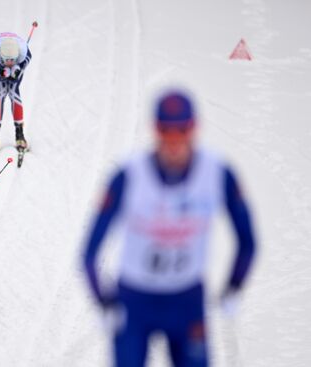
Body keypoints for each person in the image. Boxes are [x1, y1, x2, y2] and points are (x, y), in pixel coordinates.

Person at [83, 90, 257, 367]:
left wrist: (234, 286)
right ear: (156, 130)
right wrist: (104, 302)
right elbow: (88, 252)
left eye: (182, 132)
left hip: (186, 301)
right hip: (135, 301)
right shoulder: (129, 176)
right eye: (166, 132)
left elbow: (248, 242)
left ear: (194, 128)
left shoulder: (217, 173)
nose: (174, 142)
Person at [0, 32, 32, 155]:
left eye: (13, 60)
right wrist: (2, 73)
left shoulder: (24, 54)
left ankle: (19, 133)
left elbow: (22, 65)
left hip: (15, 56)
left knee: (14, 91)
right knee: (1, 91)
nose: (10, 62)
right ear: (2, 56)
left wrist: (16, 71)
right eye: (7, 60)